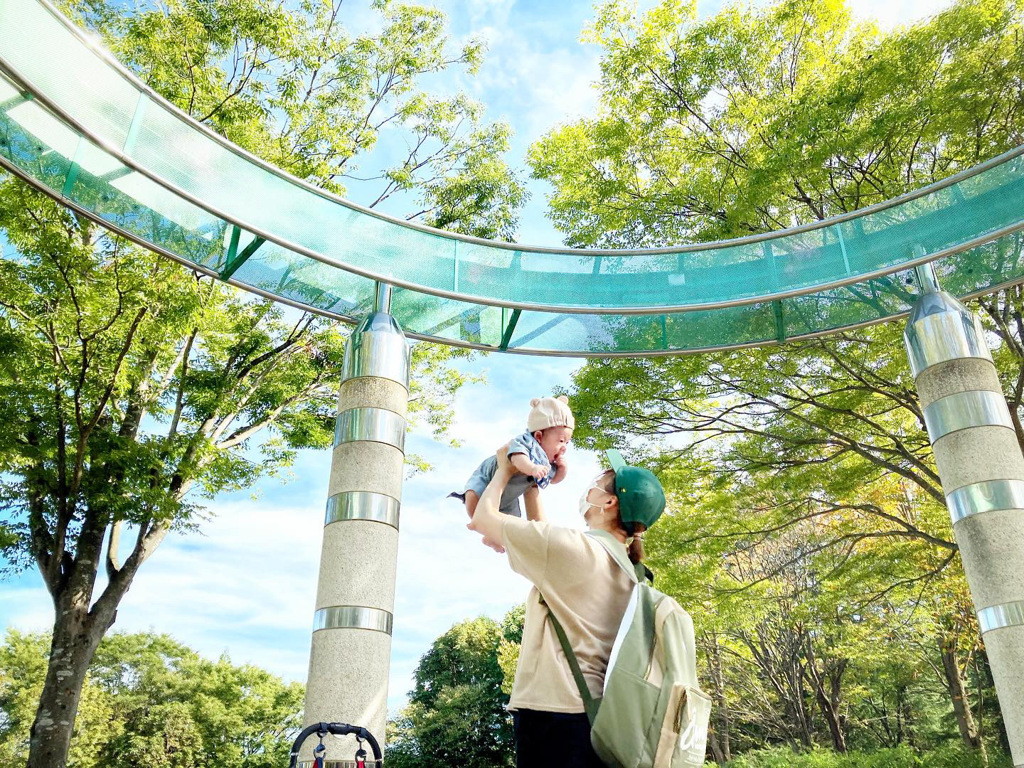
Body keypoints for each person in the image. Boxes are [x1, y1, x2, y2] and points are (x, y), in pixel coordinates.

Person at [467, 446, 666, 767]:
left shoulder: (574, 549)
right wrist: (532, 485)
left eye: (599, 481)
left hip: (553, 720)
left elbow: (482, 519)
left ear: (609, 501)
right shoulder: (632, 572)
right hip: (600, 721)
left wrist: (505, 468)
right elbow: (548, 549)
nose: (590, 486)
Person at [450, 395, 574, 521]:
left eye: (567, 443)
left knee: (512, 523)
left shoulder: (546, 462)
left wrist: (562, 470)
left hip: (510, 494)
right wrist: (532, 468)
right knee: (474, 500)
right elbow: (517, 458)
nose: (564, 447)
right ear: (539, 437)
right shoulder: (526, 443)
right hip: (488, 478)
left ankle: (498, 537)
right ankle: (477, 515)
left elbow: (553, 480)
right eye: (561, 441)